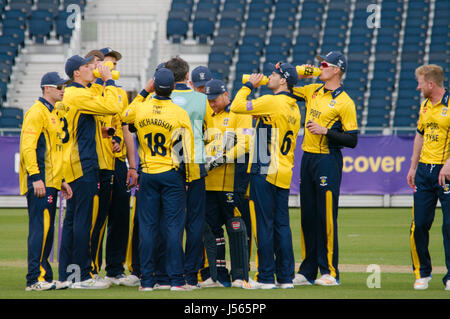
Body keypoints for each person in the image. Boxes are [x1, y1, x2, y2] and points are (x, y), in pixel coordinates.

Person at [122, 67, 199, 291]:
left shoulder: (142, 109)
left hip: (148, 173)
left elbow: (125, 115)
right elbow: (187, 151)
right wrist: (189, 178)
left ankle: (146, 281)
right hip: (171, 174)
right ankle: (176, 280)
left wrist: (144, 92)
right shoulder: (179, 113)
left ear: (154, 86)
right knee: (174, 228)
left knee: (147, 228)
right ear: (174, 88)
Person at [230, 62, 301, 289]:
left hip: (264, 167)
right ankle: (286, 277)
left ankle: (266, 277)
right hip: (283, 170)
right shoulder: (294, 107)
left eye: (273, 74)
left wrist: (249, 85)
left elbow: (237, 106)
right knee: (282, 225)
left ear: (283, 80)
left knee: (264, 224)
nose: (269, 76)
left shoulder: (271, 101)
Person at [292, 51, 358, 286]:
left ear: (337, 70)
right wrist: (306, 71)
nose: (321, 67)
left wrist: (326, 131)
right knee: (307, 216)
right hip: (308, 158)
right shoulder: (313, 90)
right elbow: (287, 82)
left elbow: (352, 140)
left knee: (326, 217)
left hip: (328, 160)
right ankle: (307, 271)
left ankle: (330, 271)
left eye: (325, 65)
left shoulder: (345, 102)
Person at [58, 54, 122, 289]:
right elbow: (114, 106)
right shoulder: (78, 94)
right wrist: (108, 81)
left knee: (73, 222)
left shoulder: (71, 95)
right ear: (77, 72)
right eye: (88, 67)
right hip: (82, 163)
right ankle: (82, 276)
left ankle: (67, 274)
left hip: (70, 162)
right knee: (83, 220)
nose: (93, 69)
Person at [20, 72, 73, 291]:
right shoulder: (36, 112)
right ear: (46, 89)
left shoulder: (52, 112)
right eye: (59, 86)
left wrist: (60, 180)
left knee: (48, 230)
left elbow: (53, 152)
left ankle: (45, 276)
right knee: (40, 229)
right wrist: (35, 177)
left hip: (51, 180)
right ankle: (34, 279)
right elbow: (28, 148)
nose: (63, 89)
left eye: (64, 86)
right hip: (40, 181)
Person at [202, 79, 253, 288]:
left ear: (225, 95)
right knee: (212, 230)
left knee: (237, 228)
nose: (212, 103)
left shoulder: (240, 113)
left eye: (214, 99)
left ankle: (241, 275)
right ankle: (217, 275)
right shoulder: (206, 112)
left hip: (233, 183)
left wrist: (220, 159)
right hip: (209, 184)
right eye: (209, 100)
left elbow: (246, 144)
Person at [164, 57, 208, 289]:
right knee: (195, 222)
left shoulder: (160, 98)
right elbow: (207, 130)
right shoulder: (201, 98)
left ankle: (171, 274)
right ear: (187, 76)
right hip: (195, 162)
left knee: (170, 222)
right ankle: (191, 275)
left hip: (168, 164)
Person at [406, 64, 450, 291]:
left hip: (447, 174)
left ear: (431, 84)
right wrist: (413, 167)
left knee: (449, 225)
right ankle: (423, 272)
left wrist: (448, 164)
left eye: (420, 83)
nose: (417, 87)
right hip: (424, 172)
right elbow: (419, 136)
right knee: (420, 224)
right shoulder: (424, 106)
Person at [98, 47, 139, 287]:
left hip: (118, 163)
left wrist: (132, 166)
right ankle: (90, 270)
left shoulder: (120, 94)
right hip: (97, 165)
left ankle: (115, 269)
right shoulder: (91, 93)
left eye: (114, 64)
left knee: (121, 217)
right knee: (98, 217)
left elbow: (125, 130)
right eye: (107, 63)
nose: (112, 67)